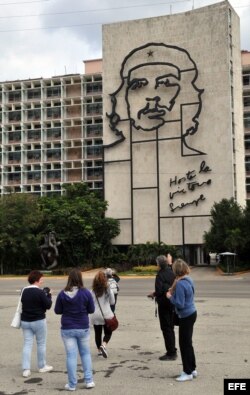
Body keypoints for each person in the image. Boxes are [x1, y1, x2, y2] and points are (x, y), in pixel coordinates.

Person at [54, 268, 95, 391]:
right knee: (85, 354)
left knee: (71, 356)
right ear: (80, 278)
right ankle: (89, 381)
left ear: (69, 279)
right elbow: (91, 309)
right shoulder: (86, 293)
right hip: (82, 327)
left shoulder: (62, 294)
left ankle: (72, 384)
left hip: (67, 328)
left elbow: (57, 311)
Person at [166, 259, 197, 382]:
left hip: (185, 316)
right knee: (188, 343)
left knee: (184, 345)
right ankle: (192, 368)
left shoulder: (180, 284)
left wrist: (170, 297)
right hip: (192, 313)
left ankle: (187, 372)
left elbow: (179, 304)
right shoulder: (188, 279)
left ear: (176, 271)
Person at [20, 270, 53, 378]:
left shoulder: (24, 290)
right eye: (41, 279)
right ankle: (42, 366)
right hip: (38, 320)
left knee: (27, 344)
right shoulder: (39, 292)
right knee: (41, 343)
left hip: (25, 320)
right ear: (37, 280)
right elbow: (48, 305)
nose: (42, 280)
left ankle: (26, 369)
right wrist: (49, 295)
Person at [148, 255, 177, 360]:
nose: (156, 265)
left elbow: (160, 291)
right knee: (170, 327)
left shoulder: (160, 275)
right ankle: (172, 349)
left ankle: (171, 353)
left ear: (159, 264)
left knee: (166, 328)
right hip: (172, 303)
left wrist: (155, 294)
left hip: (164, 305)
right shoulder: (171, 272)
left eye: (157, 263)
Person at [90, 271, 115, 358]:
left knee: (97, 333)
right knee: (109, 332)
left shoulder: (92, 291)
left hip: (95, 315)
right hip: (106, 314)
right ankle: (103, 345)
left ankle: (99, 351)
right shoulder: (108, 289)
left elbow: (90, 303)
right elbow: (112, 302)